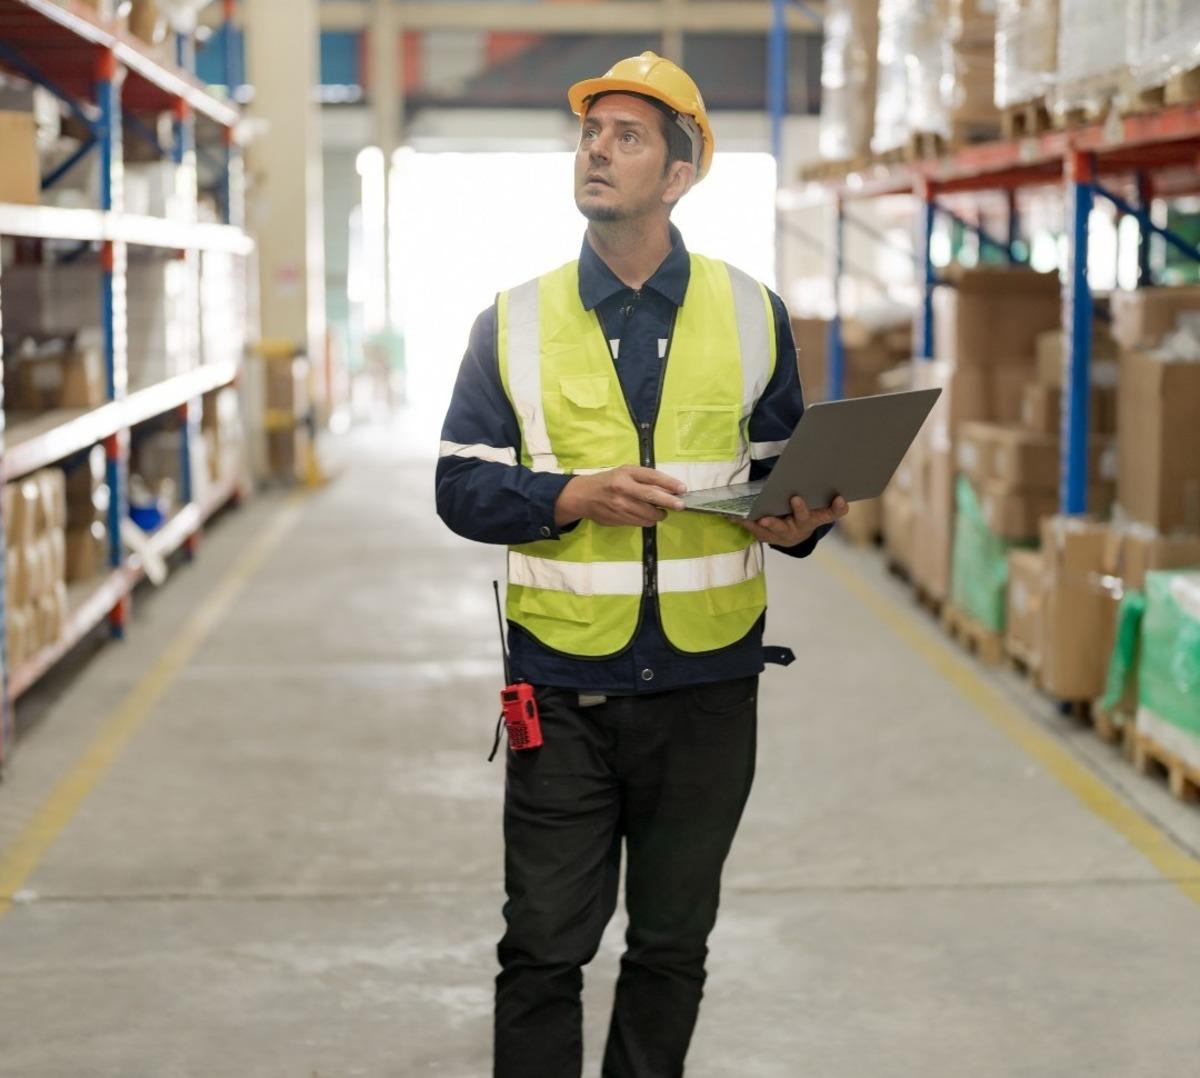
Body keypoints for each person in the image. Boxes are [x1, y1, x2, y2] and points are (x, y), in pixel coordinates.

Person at [436, 51, 848, 1078]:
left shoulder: (752, 311)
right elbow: (458, 486)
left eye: (627, 136)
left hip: (708, 689)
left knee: (671, 947)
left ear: (679, 174)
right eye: (590, 132)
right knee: (542, 946)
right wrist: (567, 495)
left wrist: (802, 522)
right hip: (564, 688)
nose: (597, 151)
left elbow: (778, 474)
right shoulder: (512, 320)